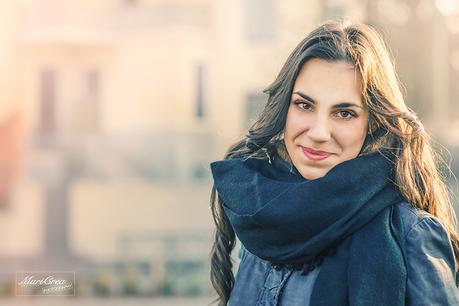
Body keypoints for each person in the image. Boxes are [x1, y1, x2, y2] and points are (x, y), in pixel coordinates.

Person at [208, 21, 459, 306]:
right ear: (284, 108)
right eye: (304, 105)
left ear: (373, 123)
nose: (318, 133)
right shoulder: (262, 224)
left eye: (344, 113)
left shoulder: (412, 234)